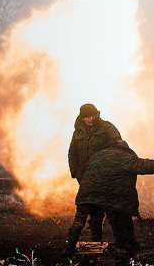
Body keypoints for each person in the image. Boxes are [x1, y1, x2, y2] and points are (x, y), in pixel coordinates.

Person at [74, 139, 154, 257]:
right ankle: (129, 246)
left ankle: (112, 245)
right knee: (124, 219)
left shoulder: (99, 156)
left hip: (97, 196)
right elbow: (146, 165)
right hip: (117, 197)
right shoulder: (124, 157)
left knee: (109, 218)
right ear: (125, 149)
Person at [64, 103, 122, 257]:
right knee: (87, 213)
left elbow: (118, 149)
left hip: (105, 180)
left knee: (112, 212)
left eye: (93, 115)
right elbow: (72, 153)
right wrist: (75, 172)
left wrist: (110, 172)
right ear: (82, 118)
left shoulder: (107, 129)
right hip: (86, 181)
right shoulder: (78, 133)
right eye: (87, 117)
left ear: (97, 114)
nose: (90, 119)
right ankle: (89, 244)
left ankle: (122, 245)